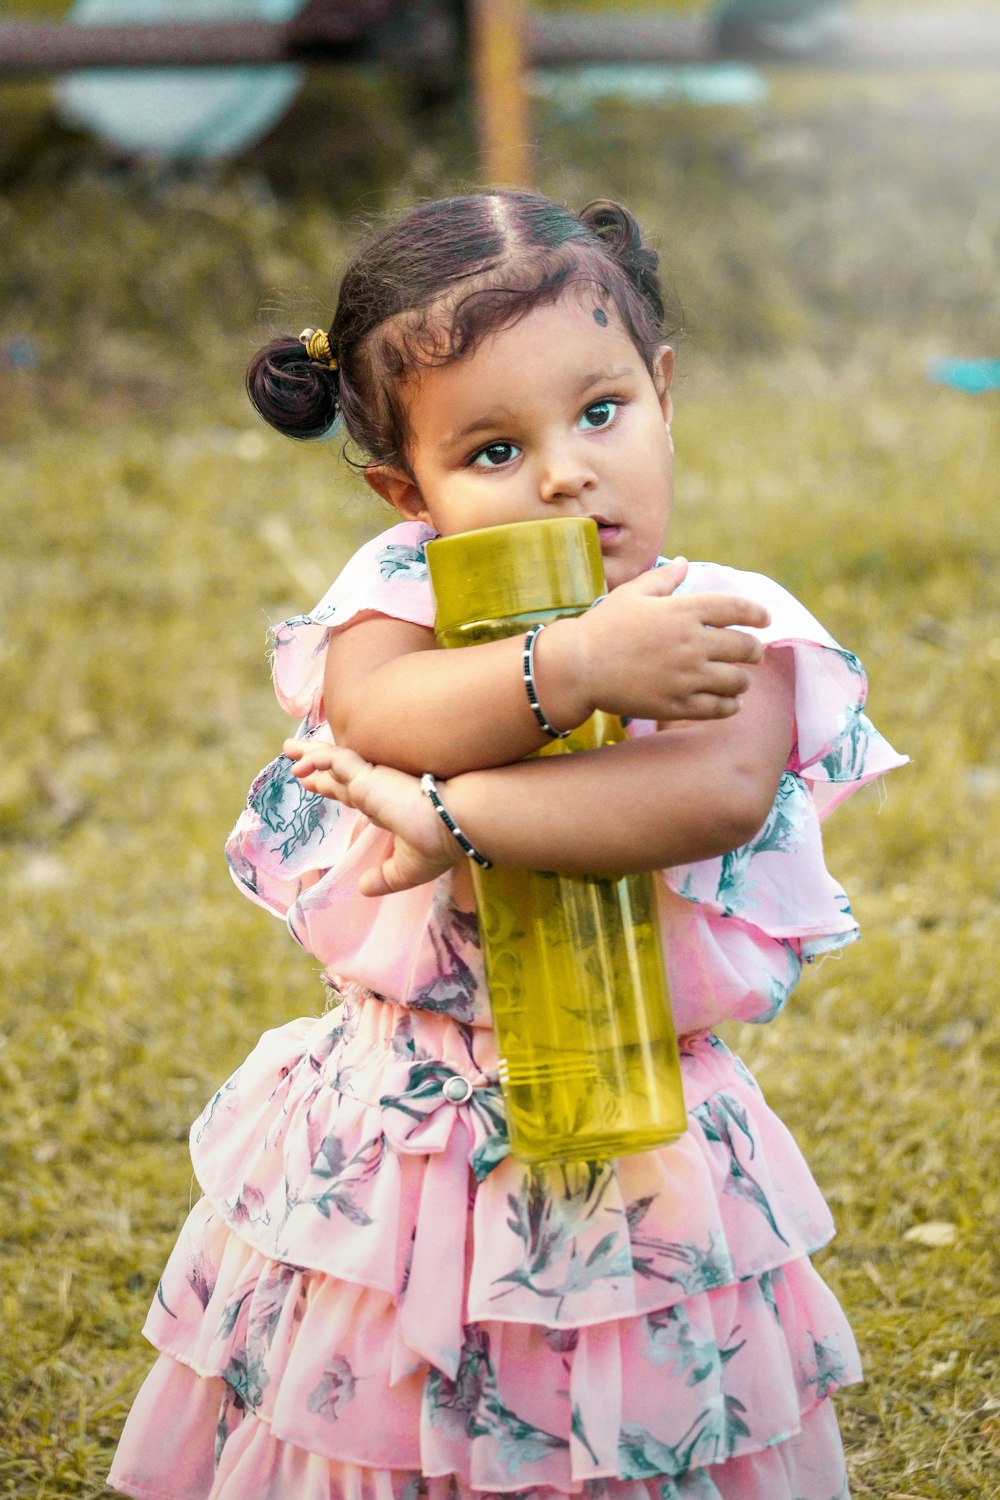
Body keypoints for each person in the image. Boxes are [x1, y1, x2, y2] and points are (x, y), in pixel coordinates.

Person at [109, 190, 905, 1500]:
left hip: (635, 1114)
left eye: (601, 413)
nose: (564, 473)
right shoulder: (397, 591)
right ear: (402, 486)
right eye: (491, 449)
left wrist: (454, 820)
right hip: (403, 1121)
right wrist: (577, 662)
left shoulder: (727, 621)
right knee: (376, 1384)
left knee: (619, 1379)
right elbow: (381, 710)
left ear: (664, 390)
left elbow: (707, 791)